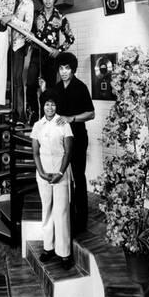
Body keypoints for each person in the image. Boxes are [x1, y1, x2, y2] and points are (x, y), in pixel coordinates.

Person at [52, 52, 95, 234]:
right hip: (61, 140)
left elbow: (91, 113)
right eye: (61, 68)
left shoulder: (81, 87)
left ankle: (81, 221)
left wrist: (72, 118)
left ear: (73, 69)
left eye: (67, 68)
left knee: (78, 177)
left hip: (78, 138)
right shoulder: (57, 88)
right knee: (62, 178)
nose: (63, 72)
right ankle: (65, 217)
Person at [31, 91, 74, 269]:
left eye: (53, 104)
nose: (50, 107)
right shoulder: (37, 125)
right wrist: (41, 173)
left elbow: (68, 151)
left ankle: (64, 253)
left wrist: (60, 172)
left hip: (61, 173)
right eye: (47, 104)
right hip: (43, 174)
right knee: (46, 209)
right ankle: (48, 247)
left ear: (57, 106)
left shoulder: (63, 124)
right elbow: (35, 152)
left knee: (61, 211)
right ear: (43, 105)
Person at [26, 0, 74, 124]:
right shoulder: (36, 16)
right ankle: (34, 114)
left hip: (51, 58)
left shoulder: (60, 17)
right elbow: (30, 34)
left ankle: (48, 120)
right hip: (36, 53)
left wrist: (58, 51)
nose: (47, 0)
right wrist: (29, 38)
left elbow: (70, 38)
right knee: (30, 84)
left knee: (49, 91)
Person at [0, 0, 35, 126]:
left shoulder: (29, 4)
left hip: (18, 45)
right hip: (4, 42)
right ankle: (8, 113)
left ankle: (20, 115)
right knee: (5, 79)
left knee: (17, 80)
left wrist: (12, 19)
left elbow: (28, 27)